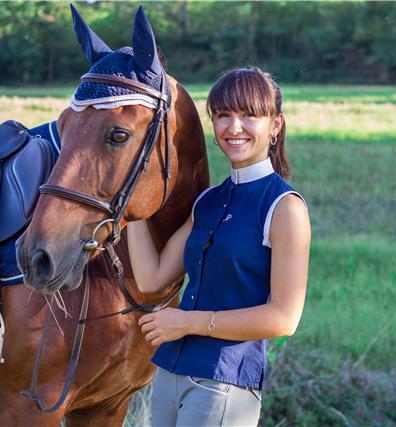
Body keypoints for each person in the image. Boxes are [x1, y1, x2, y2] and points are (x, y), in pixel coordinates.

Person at [127, 67, 310, 426]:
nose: (233, 127)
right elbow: (152, 278)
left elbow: (283, 318)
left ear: (275, 125)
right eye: (223, 115)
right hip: (169, 374)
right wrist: (132, 207)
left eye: (248, 115)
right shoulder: (208, 201)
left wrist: (186, 323)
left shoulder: (284, 207)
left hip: (223, 384)